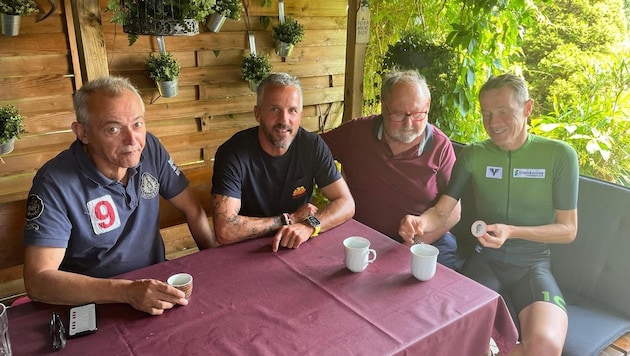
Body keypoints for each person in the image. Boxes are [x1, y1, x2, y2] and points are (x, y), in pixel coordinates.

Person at [402, 73, 579, 355]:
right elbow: (442, 211)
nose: (493, 123)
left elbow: (568, 229)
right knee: (459, 338)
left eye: (503, 112)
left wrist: (512, 231)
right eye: (486, 114)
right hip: (485, 261)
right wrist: (419, 222)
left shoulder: (560, 155)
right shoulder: (474, 154)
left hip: (533, 265)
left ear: (528, 108)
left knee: (545, 347)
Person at [23, 76, 217, 315]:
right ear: (82, 133)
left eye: (137, 124)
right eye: (113, 129)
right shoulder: (55, 183)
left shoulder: (150, 149)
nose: (132, 140)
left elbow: (193, 209)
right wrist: (126, 291)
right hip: (95, 303)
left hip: (156, 289)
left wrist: (215, 262)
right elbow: (38, 281)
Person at [321, 69, 460, 269]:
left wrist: (413, 245)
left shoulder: (440, 147)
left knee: (442, 294)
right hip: (363, 238)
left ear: (427, 106)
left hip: (425, 240)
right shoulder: (356, 133)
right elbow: (311, 151)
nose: (408, 123)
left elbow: (454, 212)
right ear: (384, 107)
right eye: (399, 114)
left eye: (418, 114)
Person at [211, 72, 355, 252]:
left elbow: (346, 203)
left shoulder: (312, 146)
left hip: (296, 244)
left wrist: (310, 226)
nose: (284, 120)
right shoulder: (232, 153)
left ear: (300, 115)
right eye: (274, 109)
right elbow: (225, 229)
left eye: (292, 110)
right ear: (258, 114)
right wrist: (289, 220)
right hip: (246, 251)